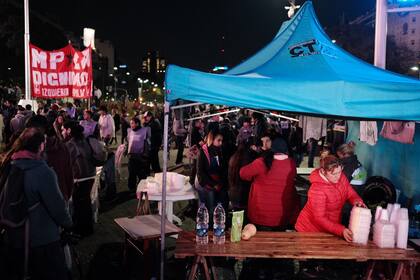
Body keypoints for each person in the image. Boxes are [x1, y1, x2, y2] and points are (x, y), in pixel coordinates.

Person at [4, 127, 72, 280]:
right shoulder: (42, 171)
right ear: (41, 145)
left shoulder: (11, 164)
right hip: (43, 240)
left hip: (15, 236)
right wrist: (68, 224)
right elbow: (58, 208)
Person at [295, 155, 366, 242]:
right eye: (333, 174)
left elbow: (350, 193)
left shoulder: (341, 177)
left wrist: (357, 201)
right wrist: (341, 230)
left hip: (329, 227)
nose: (338, 176)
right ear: (323, 171)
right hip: (310, 230)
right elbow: (320, 218)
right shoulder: (317, 189)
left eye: (339, 172)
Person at [240, 138, 299, 230]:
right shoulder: (291, 164)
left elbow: (243, 174)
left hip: (261, 214)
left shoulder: (262, 162)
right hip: (282, 215)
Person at [63, 121, 96, 236]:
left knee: (78, 204)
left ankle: (80, 229)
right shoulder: (86, 141)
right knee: (86, 202)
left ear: (70, 132)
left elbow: (67, 163)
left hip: (80, 178)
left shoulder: (71, 144)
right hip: (91, 175)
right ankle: (88, 228)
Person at [195, 129, 228, 222]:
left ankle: (212, 226)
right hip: (205, 184)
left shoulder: (219, 150)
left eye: (222, 140)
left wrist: (220, 182)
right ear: (211, 139)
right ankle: (206, 227)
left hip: (215, 183)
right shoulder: (203, 152)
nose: (221, 143)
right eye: (219, 140)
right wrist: (213, 184)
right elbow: (200, 172)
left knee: (215, 206)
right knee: (208, 207)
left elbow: (222, 167)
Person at [228, 138, 258, 212]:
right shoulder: (251, 158)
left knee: (236, 216)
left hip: (233, 193)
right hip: (245, 193)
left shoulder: (233, 157)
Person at [126, 117, 151, 191]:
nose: (131, 125)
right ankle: (132, 188)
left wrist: (146, 155)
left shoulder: (144, 131)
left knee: (141, 174)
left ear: (137, 124)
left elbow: (147, 143)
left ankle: (142, 188)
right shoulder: (129, 131)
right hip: (132, 156)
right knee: (131, 173)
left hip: (141, 156)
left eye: (133, 123)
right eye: (130, 123)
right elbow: (128, 141)